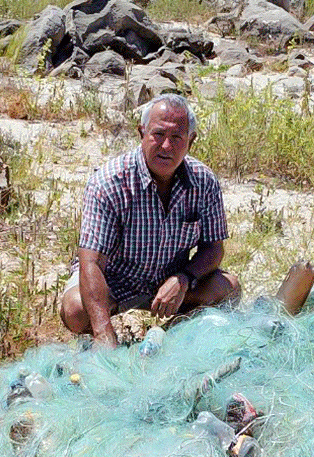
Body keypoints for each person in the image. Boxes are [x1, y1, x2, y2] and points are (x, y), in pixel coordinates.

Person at [59, 94, 241, 349]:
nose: (166, 146)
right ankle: (108, 332)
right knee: (77, 310)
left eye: (176, 138)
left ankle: (166, 334)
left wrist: (184, 278)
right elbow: (91, 262)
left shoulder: (204, 181)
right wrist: (103, 335)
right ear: (141, 133)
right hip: (113, 284)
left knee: (228, 288)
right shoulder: (109, 183)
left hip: (170, 285)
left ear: (191, 141)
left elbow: (214, 249)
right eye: (158, 135)